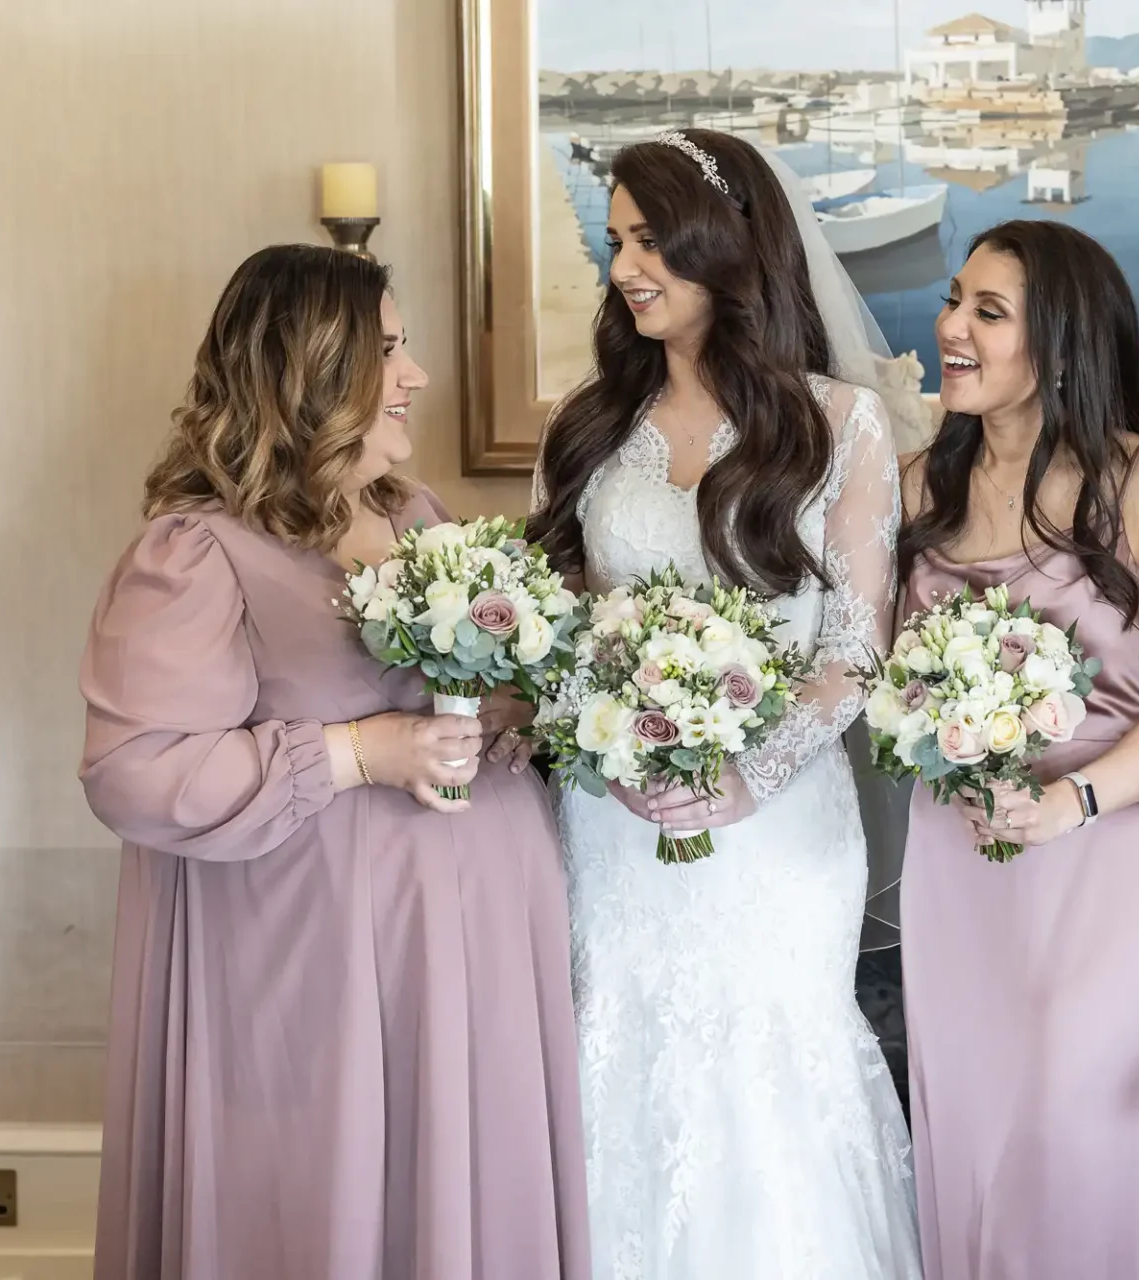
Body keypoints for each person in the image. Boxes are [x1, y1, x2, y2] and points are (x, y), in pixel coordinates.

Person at [79, 245, 588, 1280]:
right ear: (309, 371)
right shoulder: (199, 550)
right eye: (388, 350)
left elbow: (455, 691)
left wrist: (508, 710)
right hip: (320, 976)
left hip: (469, 959)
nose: (417, 374)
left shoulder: (417, 515)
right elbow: (135, 768)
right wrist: (358, 752)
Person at [524, 128, 922, 1279]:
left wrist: (744, 775)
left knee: (771, 1075)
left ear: (727, 243)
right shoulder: (584, 426)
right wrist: (588, 723)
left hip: (780, 831)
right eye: (614, 243)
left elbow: (854, 647)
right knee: (620, 1058)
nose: (625, 268)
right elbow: (552, 627)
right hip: (617, 818)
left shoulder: (838, 424)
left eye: (650, 239)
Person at [895, 220, 1139, 1280]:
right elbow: (876, 677)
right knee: (976, 1139)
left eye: (987, 313)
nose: (949, 328)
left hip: (1105, 855)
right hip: (956, 863)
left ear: (1067, 345)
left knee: (1083, 1141)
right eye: (955, 302)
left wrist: (1069, 801)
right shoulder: (916, 490)